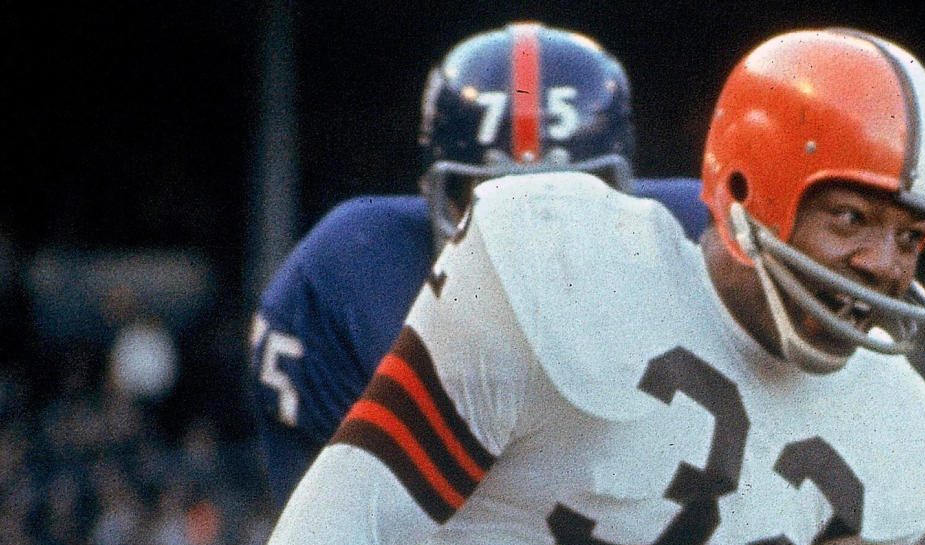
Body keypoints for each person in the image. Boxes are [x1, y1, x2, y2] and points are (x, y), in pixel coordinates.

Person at [262, 27, 925, 545]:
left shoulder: (900, 438)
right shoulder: (563, 268)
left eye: (909, 235)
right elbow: (341, 521)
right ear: (746, 193)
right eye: (850, 218)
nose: (882, 264)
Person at [248, 22, 708, 507]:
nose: (535, 240)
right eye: (498, 197)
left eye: (565, 197)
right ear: (440, 196)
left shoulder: (701, 248)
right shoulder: (348, 277)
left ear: (620, 191)